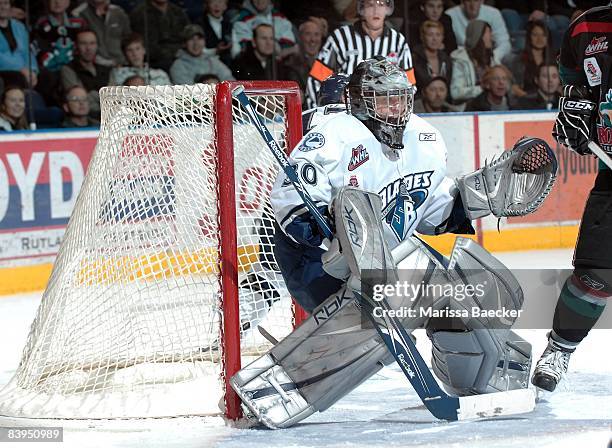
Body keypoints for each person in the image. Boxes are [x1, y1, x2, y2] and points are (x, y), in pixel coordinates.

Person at [234, 56, 551, 428]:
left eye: (400, 98)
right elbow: (289, 204)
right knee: (373, 315)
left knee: (465, 280)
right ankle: (282, 387)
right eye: (384, 100)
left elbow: (434, 215)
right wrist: (330, 236)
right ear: (360, 102)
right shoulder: (333, 135)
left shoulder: (425, 138)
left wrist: (473, 200)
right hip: (317, 265)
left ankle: (481, 375)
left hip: (383, 263)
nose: (395, 108)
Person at [532, 1, 612, 393]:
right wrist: (575, 114)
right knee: (597, 274)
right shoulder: (586, 28)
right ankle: (560, 348)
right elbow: (575, 87)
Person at [305, 0, 414, 108]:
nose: (376, 11)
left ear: (388, 8)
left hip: (385, 113)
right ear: (361, 8)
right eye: (370, 5)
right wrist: (320, 114)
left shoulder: (398, 41)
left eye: (381, 4)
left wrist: (398, 111)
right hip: (347, 113)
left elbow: (409, 85)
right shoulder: (340, 37)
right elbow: (316, 80)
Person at [60, 29, 111, 119]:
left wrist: (92, 95)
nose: (88, 48)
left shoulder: (105, 69)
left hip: (108, 120)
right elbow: (78, 99)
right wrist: (103, 99)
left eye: (92, 43)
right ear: (76, 46)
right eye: (83, 43)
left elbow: (114, 101)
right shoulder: (68, 69)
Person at [129, 0, 190, 72]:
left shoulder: (178, 11)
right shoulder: (139, 14)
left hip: (181, 58)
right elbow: (146, 47)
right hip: (156, 63)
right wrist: (174, 53)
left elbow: (188, 36)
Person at [445, 0, 511, 62]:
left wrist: (493, 56)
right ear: (462, 1)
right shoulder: (450, 15)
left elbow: (504, 43)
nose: (473, 5)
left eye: (476, 0)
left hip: (490, 58)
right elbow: (448, 46)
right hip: (460, 58)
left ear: (482, 1)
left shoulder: (493, 13)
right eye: (469, 1)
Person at [450, 20, 498, 105]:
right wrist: (481, 88)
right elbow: (456, 92)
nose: (492, 37)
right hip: (467, 109)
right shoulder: (460, 61)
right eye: (488, 33)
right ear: (478, 35)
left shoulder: (492, 58)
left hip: (490, 105)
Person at [72, 0, 131, 67]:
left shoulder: (119, 12)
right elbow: (78, 47)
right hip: (96, 66)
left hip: (122, 64)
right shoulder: (79, 14)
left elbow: (128, 41)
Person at [502, 21, 554, 98]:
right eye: (535, 35)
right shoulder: (519, 60)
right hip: (526, 100)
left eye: (544, 35)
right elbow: (515, 87)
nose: (539, 39)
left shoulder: (555, 60)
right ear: (529, 37)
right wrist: (527, 98)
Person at [32, 0, 87, 72]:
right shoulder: (41, 23)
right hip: (49, 70)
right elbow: (36, 50)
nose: (57, 2)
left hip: (76, 69)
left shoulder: (78, 23)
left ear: (68, 2)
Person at [280, 18, 325, 104]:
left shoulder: (327, 62)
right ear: (300, 37)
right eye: (308, 34)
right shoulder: (290, 64)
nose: (313, 39)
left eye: (317, 34)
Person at [231, 0, 297, 59]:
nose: (260, 1)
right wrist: (277, 50)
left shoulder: (280, 18)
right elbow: (245, 48)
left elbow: (289, 43)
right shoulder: (241, 20)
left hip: (281, 65)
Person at [0, 0, 38, 88]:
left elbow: (27, 52)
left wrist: (32, 70)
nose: (2, 7)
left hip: (24, 70)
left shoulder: (19, 26)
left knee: (46, 76)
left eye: (5, 3)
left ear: (10, 6)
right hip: (5, 69)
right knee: (18, 78)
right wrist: (21, 69)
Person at [412, 20, 452, 91]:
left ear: (442, 37)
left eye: (438, 35)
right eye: (430, 35)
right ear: (422, 37)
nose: (434, 39)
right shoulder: (415, 59)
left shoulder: (446, 59)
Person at [198, 0, 233, 66]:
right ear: (207, 5)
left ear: (225, 6)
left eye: (220, 1)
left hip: (228, 64)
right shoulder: (199, 24)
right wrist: (215, 51)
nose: (216, 5)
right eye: (213, 2)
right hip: (206, 63)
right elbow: (197, 49)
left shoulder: (229, 23)